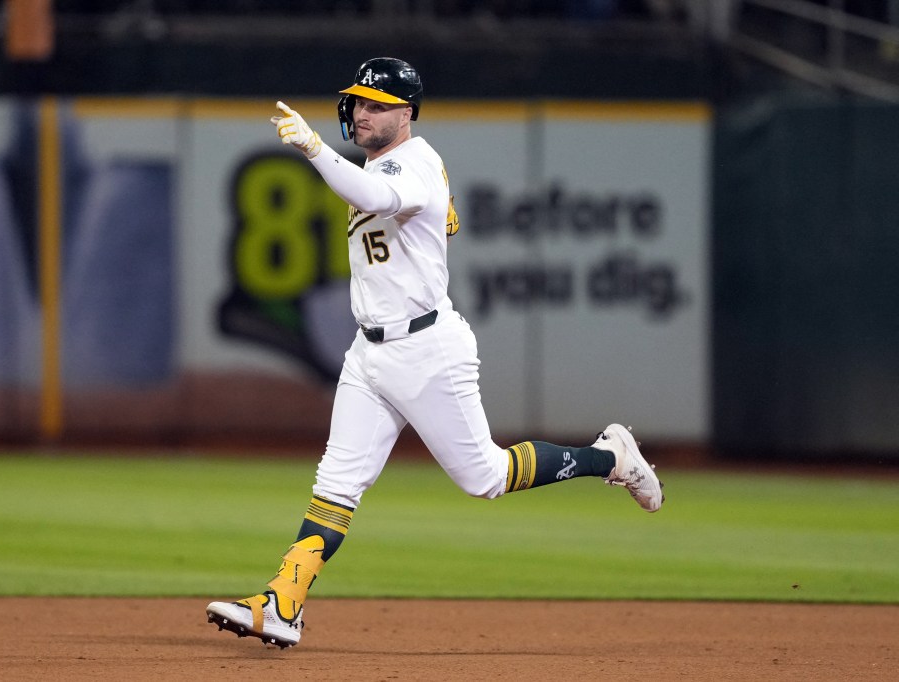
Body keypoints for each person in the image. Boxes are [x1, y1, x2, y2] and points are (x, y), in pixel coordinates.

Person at [206, 57, 664, 649]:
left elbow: (377, 193)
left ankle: (609, 457)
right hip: (368, 353)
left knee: (487, 477)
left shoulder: (414, 163)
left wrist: (316, 149)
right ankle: (281, 603)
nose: (362, 112)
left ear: (407, 113)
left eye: (376, 104)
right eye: (358, 102)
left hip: (426, 350)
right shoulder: (381, 163)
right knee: (336, 484)